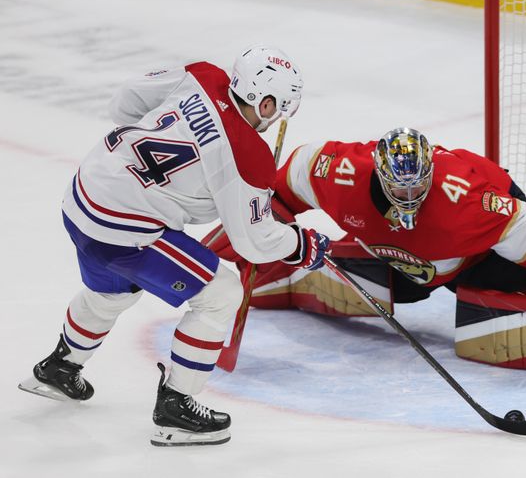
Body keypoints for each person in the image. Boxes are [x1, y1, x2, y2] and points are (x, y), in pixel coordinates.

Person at [205, 128, 526, 383]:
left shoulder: (466, 203)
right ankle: (286, 279)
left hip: (472, 255)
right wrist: (244, 237)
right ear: (377, 176)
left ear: (429, 177)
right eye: (395, 189)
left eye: (417, 190)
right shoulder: (337, 173)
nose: (406, 200)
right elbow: (277, 192)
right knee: (383, 286)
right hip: (400, 265)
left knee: (486, 320)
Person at [18, 45, 330, 447]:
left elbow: (126, 100)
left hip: (84, 193)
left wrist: (154, 169)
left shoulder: (202, 75)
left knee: (111, 290)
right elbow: (253, 241)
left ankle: (60, 367)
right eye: (278, 109)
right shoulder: (247, 156)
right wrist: (300, 243)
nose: (276, 119)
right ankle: (177, 408)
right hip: (124, 228)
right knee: (222, 293)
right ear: (265, 103)